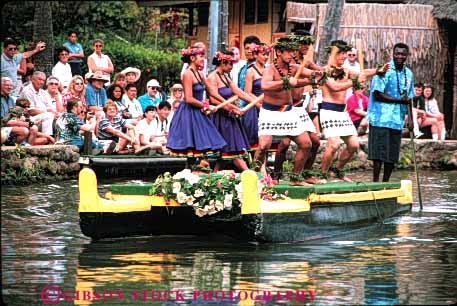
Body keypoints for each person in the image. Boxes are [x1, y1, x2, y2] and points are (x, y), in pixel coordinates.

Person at [253, 37, 317, 186]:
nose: (291, 54)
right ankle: (254, 177)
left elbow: (311, 75)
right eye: (288, 51)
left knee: (306, 144)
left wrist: (316, 77)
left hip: (288, 112)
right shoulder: (270, 69)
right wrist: (286, 82)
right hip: (270, 112)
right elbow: (265, 85)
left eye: (293, 51)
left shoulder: (293, 68)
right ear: (279, 52)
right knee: (263, 147)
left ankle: (295, 178)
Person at [273, 33, 323, 183]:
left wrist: (320, 71)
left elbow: (319, 71)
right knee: (284, 144)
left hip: (300, 108)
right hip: (287, 108)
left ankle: (304, 174)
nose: (306, 46)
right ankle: (276, 175)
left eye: (309, 44)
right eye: (303, 43)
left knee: (315, 142)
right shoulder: (289, 63)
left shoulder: (306, 62)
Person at [167, 46, 226, 164]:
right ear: (192, 58)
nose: (203, 59)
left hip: (199, 111)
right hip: (189, 113)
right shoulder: (187, 74)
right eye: (201, 56)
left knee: (202, 146)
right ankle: (190, 173)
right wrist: (206, 106)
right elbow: (189, 98)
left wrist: (225, 103)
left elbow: (212, 92)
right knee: (192, 147)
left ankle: (198, 173)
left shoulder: (200, 74)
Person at [367, 42, 414, 182]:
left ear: (407, 56)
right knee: (378, 153)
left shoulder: (409, 74)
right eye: (397, 53)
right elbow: (377, 94)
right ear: (393, 54)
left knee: (392, 154)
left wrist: (410, 120)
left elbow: (409, 98)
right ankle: (375, 182)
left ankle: (386, 182)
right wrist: (400, 101)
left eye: (403, 54)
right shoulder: (384, 69)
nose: (400, 56)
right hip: (380, 117)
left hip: (397, 119)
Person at [207, 50, 255, 172]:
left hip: (229, 116)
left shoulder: (226, 77)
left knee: (226, 154)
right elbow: (214, 99)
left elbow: (238, 92)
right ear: (223, 62)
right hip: (219, 118)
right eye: (230, 64)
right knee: (232, 150)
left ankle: (214, 176)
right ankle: (250, 174)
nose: (232, 67)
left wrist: (256, 102)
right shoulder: (212, 77)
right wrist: (234, 109)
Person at [19, 71, 56, 136]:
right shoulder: (27, 91)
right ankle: (47, 137)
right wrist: (47, 112)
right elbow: (31, 111)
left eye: (43, 80)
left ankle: (61, 141)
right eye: (39, 79)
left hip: (42, 117)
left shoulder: (43, 92)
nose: (41, 82)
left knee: (62, 117)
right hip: (29, 118)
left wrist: (55, 114)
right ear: (33, 79)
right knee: (48, 115)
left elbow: (50, 107)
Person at [237, 35, 261, 108]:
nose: (249, 51)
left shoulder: (265, 68)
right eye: (247, 48)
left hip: (259, 106)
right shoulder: (242, 69)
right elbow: (240, 89)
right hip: (242, 107)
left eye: (252, 48)